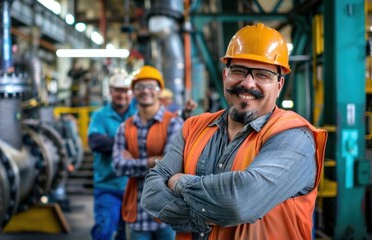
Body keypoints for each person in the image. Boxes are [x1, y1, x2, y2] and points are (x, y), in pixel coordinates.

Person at [140, 22, 328, 239]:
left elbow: (239, 203)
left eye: (262, 74)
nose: (247, 83)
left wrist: (179, 182)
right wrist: (203, 218)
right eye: (238, 71)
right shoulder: (193, 127)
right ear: (225, 76)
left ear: (279, 85)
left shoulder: (295, 137)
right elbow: (151, 194)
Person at [112, 65, 184, 239]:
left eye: (151, 86)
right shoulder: (125, 127)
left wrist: (135, 162)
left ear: (160, 91)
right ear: (133, 92)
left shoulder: (174, 123)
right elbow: (118, 167)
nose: (146, 91)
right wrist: (151, 161)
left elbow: (170, 167)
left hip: (167, 212)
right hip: (137, 212)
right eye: (140, 87)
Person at [88, 71, 137, 240]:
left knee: (126, 233)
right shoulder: (100, 116)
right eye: (118, 90)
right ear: (110, 92)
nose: (122, 95)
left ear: (131, 93)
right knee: (104, 230)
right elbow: (95, 142)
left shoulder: (139, 113)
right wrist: (130, 143)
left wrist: (112, 142)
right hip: (107, 185)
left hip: (134, 187)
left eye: (125, 90)